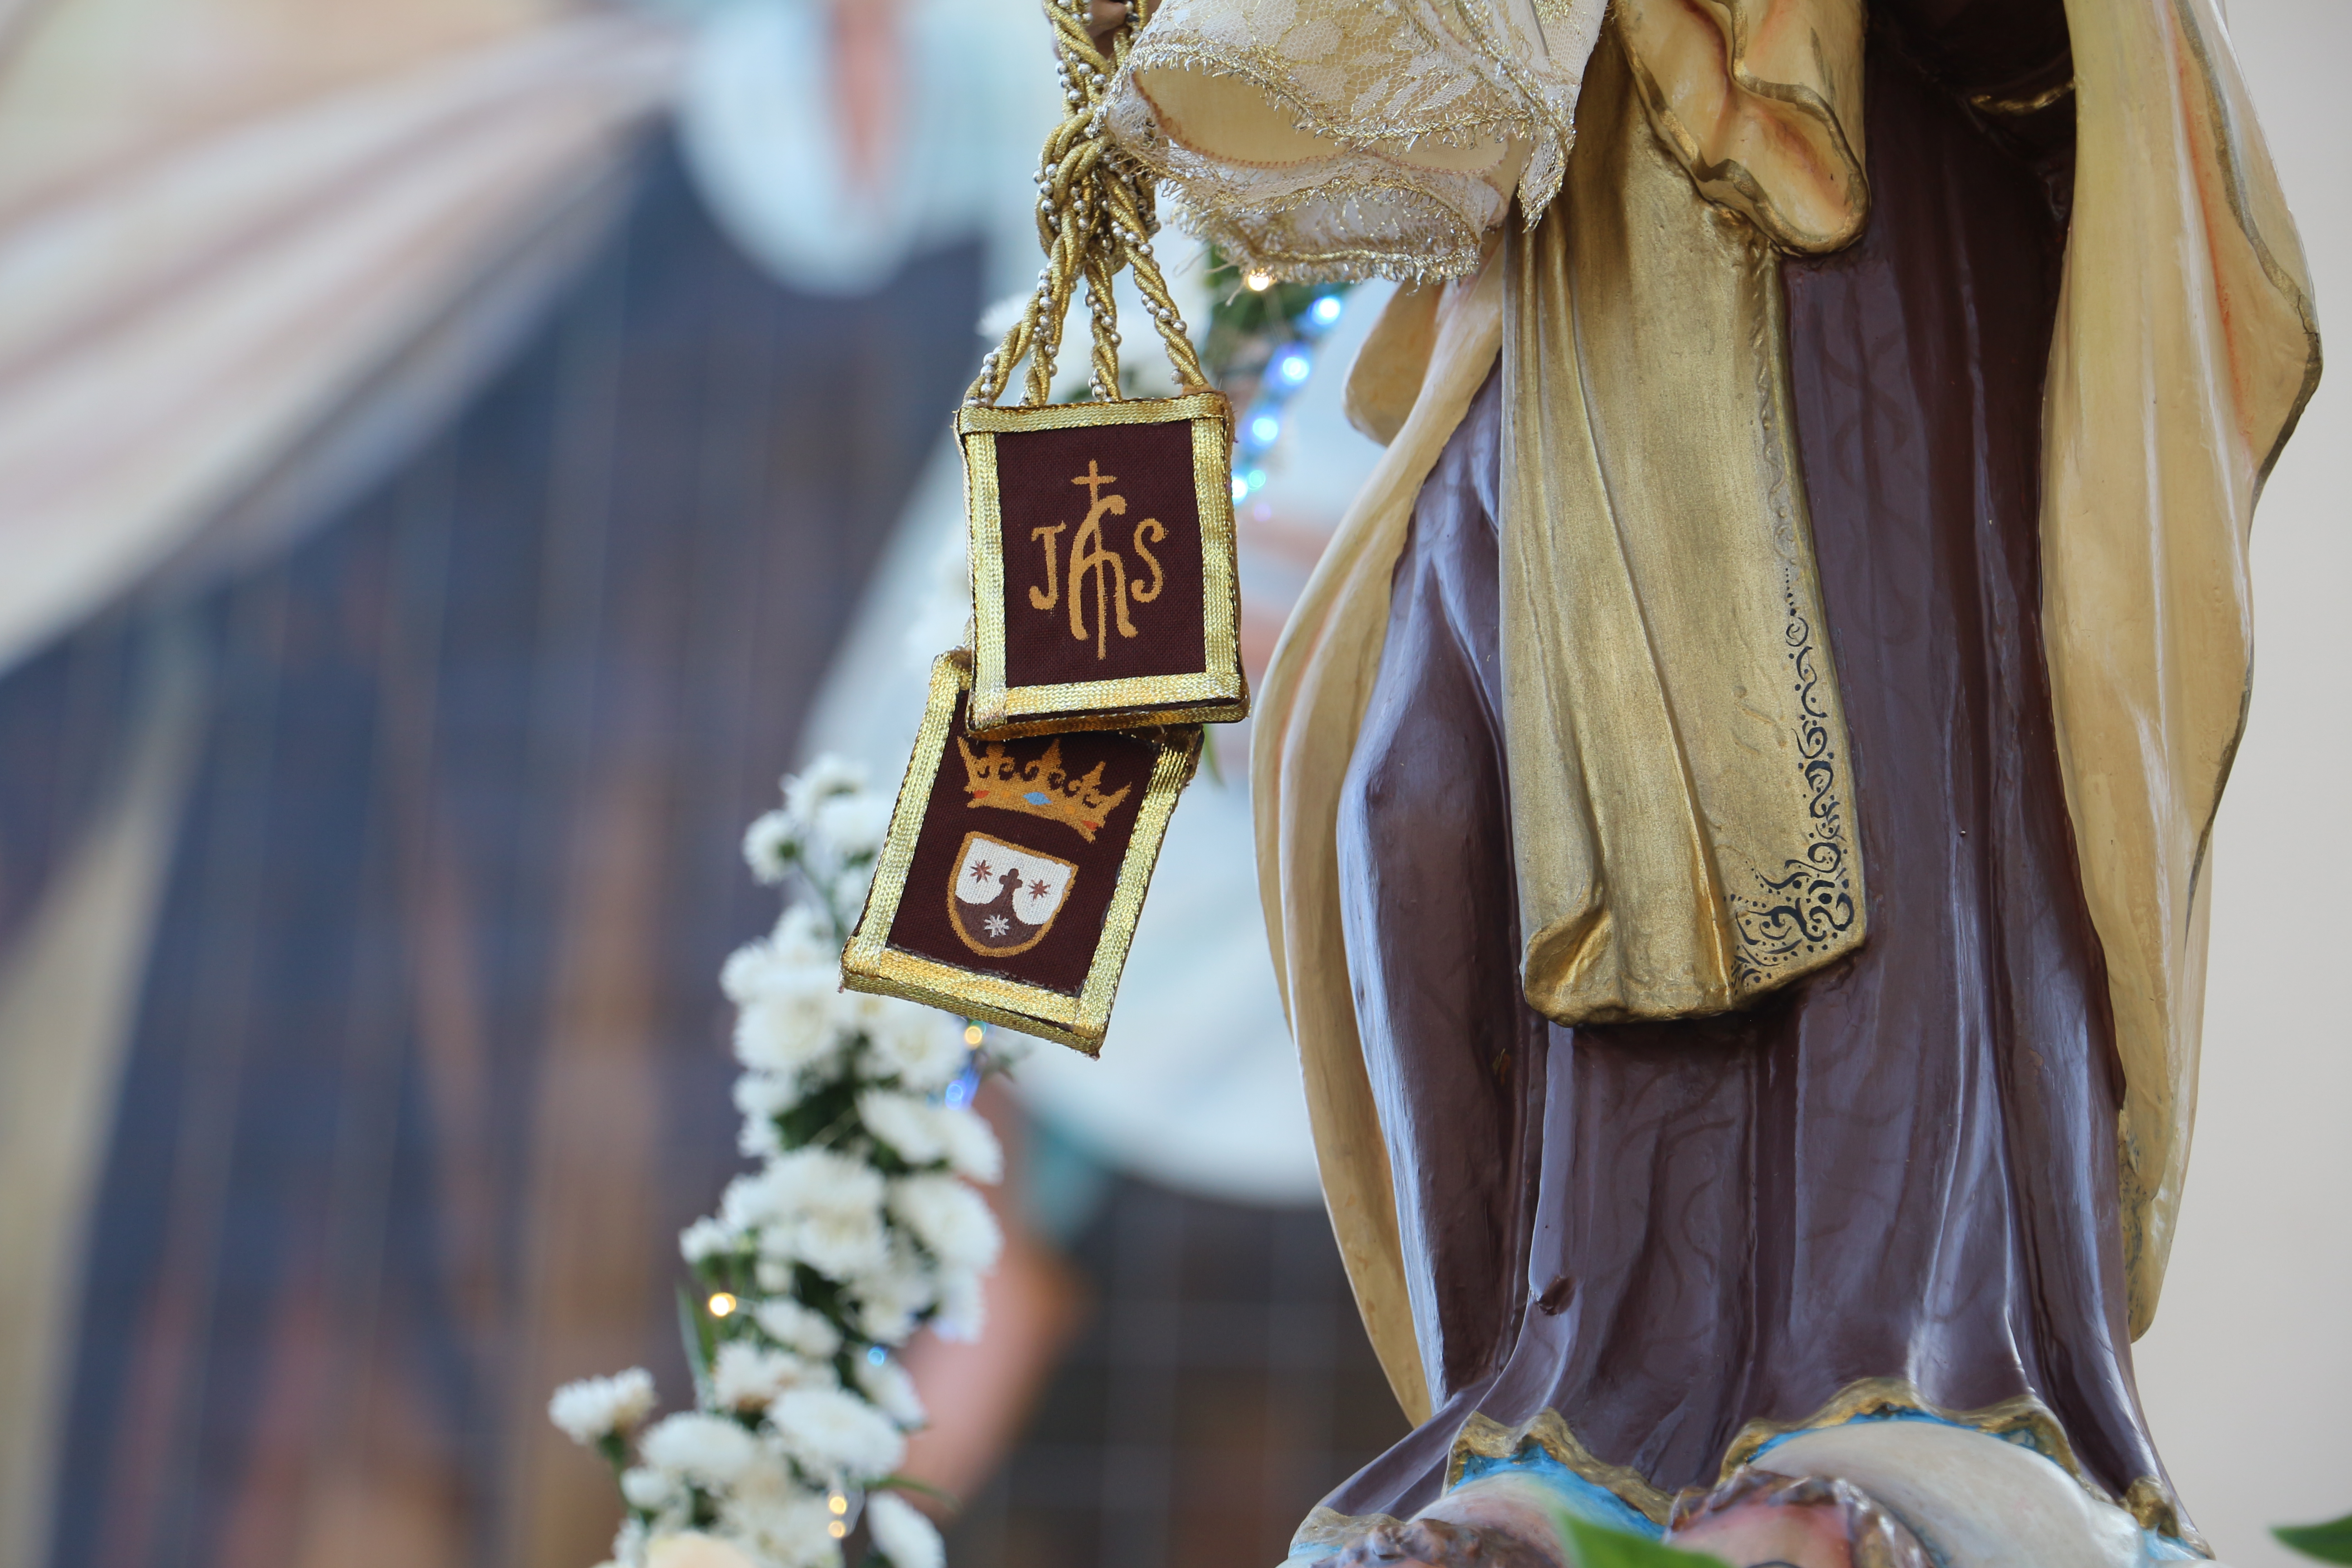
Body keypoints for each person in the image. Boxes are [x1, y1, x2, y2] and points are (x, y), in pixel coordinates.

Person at [1097, 0, 2321, 1562]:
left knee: (1873, 777)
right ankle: (1561, 1402)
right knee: (1426, 816)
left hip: (1852, 262)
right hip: (1553, 295)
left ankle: (1897, 1375)